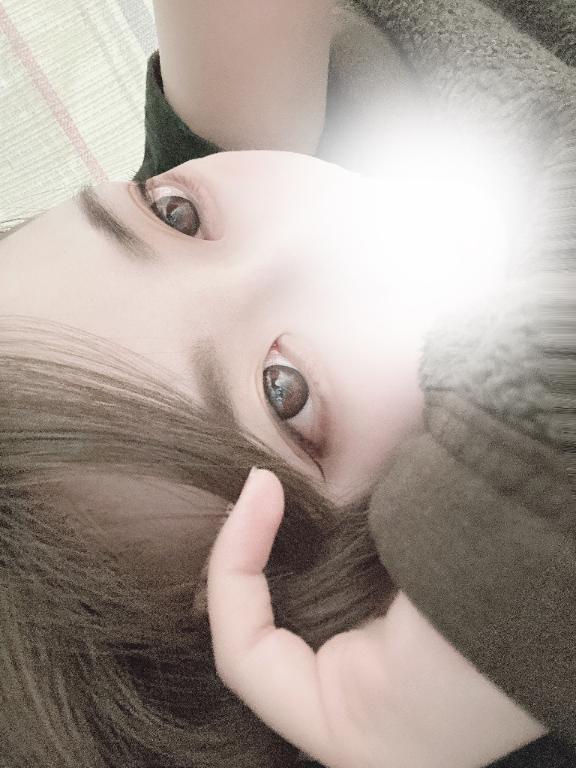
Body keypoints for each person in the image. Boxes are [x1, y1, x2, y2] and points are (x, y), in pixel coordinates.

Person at [0, 2, 573, 768]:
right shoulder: (510, 574)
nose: (304, 225)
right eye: (283, 391)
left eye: (172, 214)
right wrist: (501, 602)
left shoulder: (240, 134)